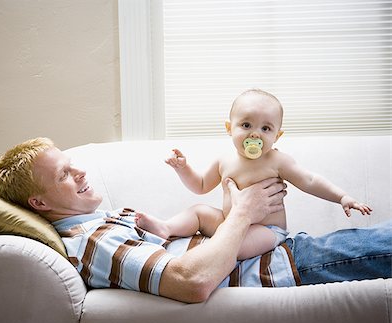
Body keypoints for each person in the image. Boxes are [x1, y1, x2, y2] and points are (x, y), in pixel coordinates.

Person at [0, 137, 391, 303]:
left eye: (71, 164)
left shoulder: (106, 221)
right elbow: (192, 282)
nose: (79, 173)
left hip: (284, 252)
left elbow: (191, 227)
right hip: (285, 268)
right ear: (39, 202)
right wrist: (245, 212)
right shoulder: (94, 242)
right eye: (63, 174)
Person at [135, 89, 372, 259]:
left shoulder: (277, 160)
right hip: (229, 224)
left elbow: (310, 180)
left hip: (266, 231)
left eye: (266, 128)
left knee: (237, 246)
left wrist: (342, 197)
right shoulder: (223, 160)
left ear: (277, 135)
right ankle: (166, 227)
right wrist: (183, 168)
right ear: (230, 128)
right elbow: (200, 185)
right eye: (246, 125)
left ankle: (213, 253)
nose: (255, 134)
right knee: (199, 211)